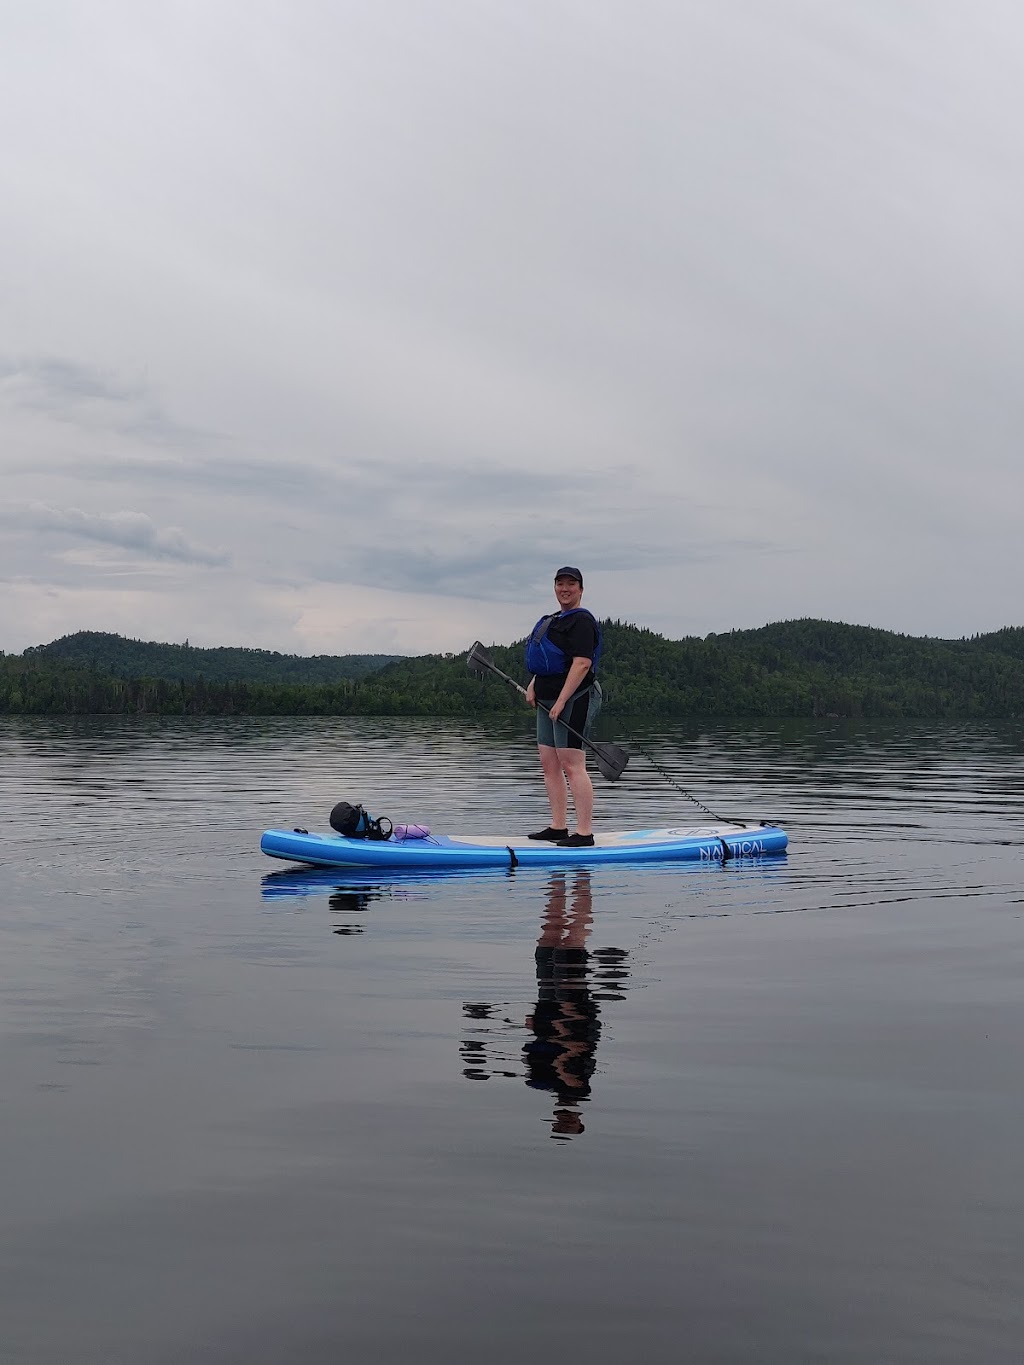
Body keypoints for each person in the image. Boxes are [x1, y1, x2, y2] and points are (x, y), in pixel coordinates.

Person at [524, 566, 602, 847]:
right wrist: (534, 684)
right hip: (547, 699)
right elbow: (549, 659)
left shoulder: (581, 621)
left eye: (571, 584)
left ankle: (584, 833)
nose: (565, 589)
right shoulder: (555, 620)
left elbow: (582, 663)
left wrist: (561, 701)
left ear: (581, 589)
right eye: (560, 584)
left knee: (572, 764)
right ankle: (558, 826)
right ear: (555, 588)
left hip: (575, 698)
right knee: (549, 764)